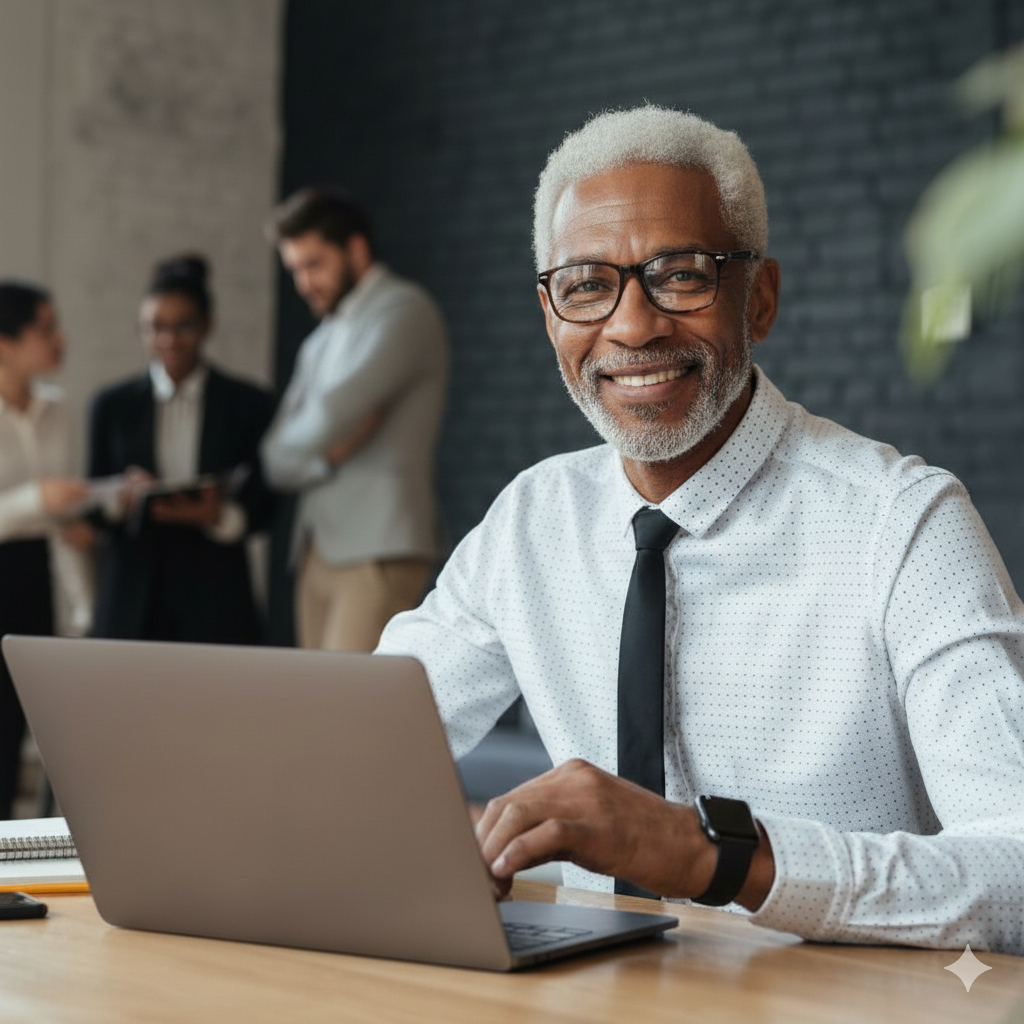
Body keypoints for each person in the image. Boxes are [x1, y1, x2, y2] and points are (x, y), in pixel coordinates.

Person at [377, 107, 1024, 955]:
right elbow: (357, 747)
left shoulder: (903, 525)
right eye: (585, 284)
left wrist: (707, 855)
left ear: (759, 299)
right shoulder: (532, 520)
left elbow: (1016, 872)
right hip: (583, 993)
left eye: (680, 276)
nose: (633, 325)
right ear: (550, 316)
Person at [261, 187, 448, 652]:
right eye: (295, 270)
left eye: (314, 264)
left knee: (349, 718)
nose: (304, 283)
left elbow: (330, 415)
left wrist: (312, 440)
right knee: (316, 714)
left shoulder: (405, 311)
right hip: (317, 550)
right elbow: (272, 457)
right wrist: (323, 461)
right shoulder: (320, 339)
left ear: (356, 249)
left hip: (378, 549)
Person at [88, 256, 275, 644]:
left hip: (216, 589)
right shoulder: (111, 405)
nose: (169, 340)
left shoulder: (249, 403)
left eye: (183, 327)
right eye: (155, 328)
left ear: (208, 325)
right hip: (133, 592)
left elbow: (266, 501)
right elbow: (93, 504)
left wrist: (220, 515)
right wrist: (119, 499)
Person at [0, 280, 92, 817]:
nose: (60, 339)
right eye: (45, 328)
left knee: (57, 746)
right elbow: (44, 500)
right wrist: (41, 499)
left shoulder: (61, 411)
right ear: (5, 342)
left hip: (43, 581)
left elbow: (63, 520)